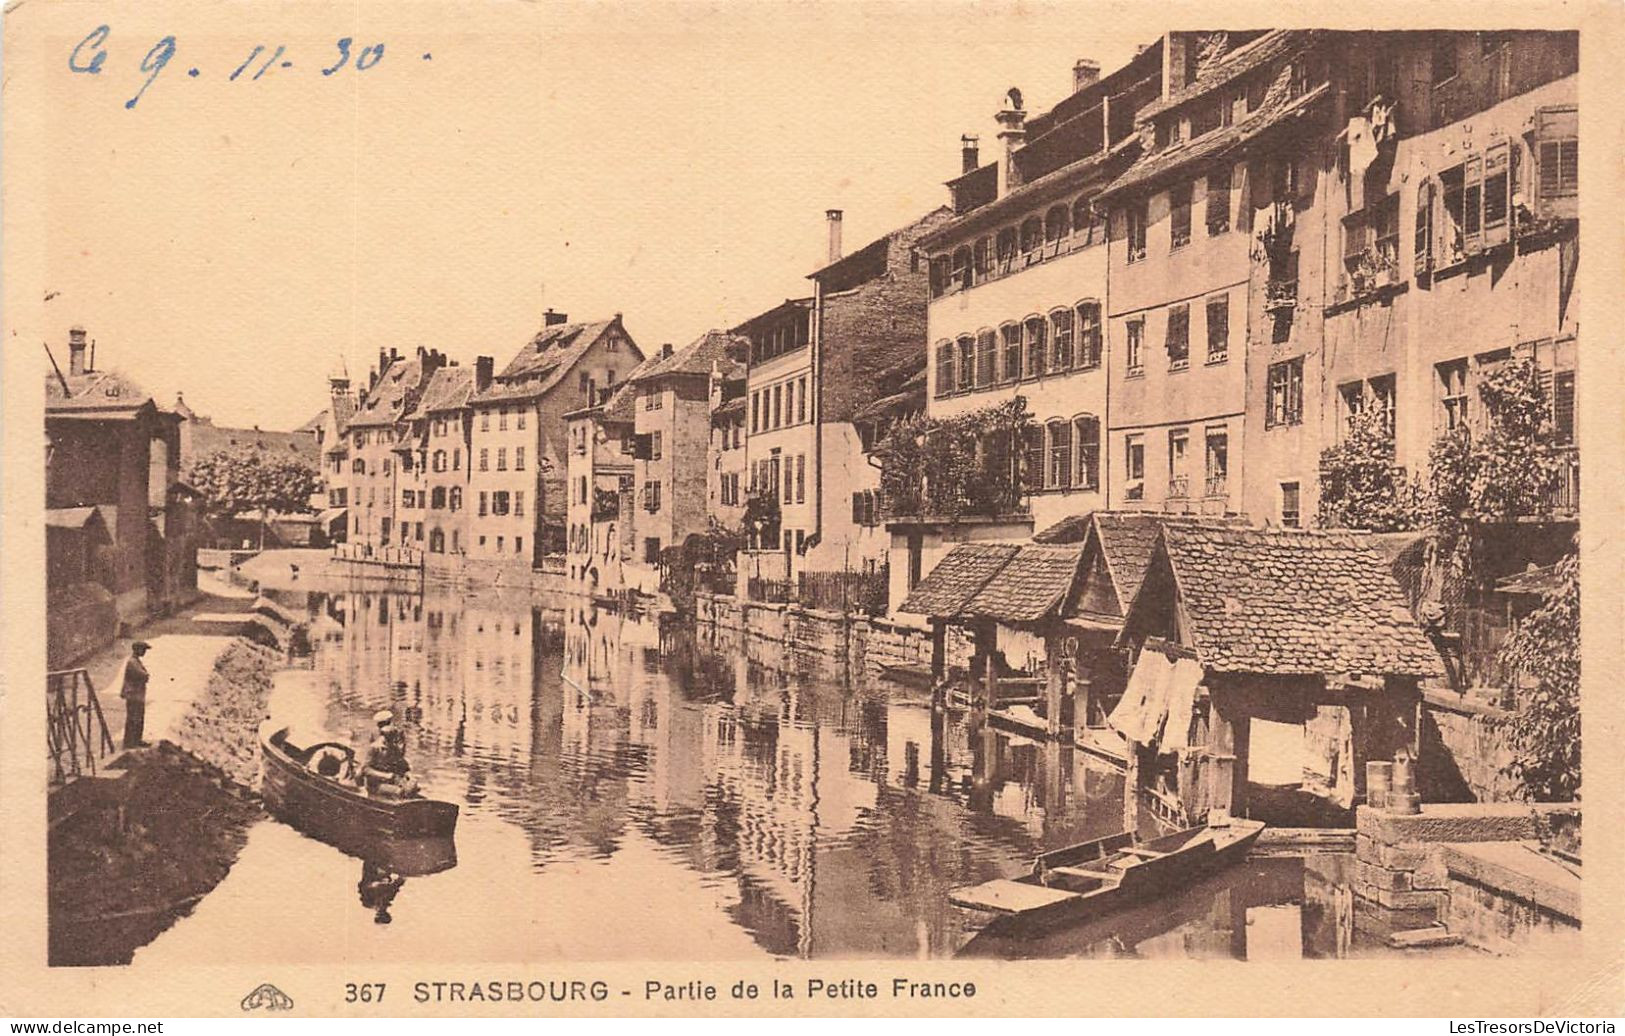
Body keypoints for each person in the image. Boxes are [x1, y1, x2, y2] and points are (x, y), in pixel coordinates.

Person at [361, 709, 418, 799]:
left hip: (391, 777)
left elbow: (401, 762)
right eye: (393, 739)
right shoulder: (374, 748)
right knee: (399, 791)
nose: (395, 742)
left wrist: (409, 775)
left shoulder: (393, 747)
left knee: (413, 787)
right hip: (376, 783)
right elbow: (365, 769)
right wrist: (386, 776)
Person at [119, 642, 152, 749]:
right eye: (143, 650)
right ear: (137, 649)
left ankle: (136, 740)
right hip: (133, 694)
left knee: (138, 718)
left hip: (137, 694)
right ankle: (130, 742)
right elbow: (143, 675)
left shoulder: (136, 661)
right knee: (133, 718)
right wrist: (146, 675)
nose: (144, 652)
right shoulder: (132, 662)